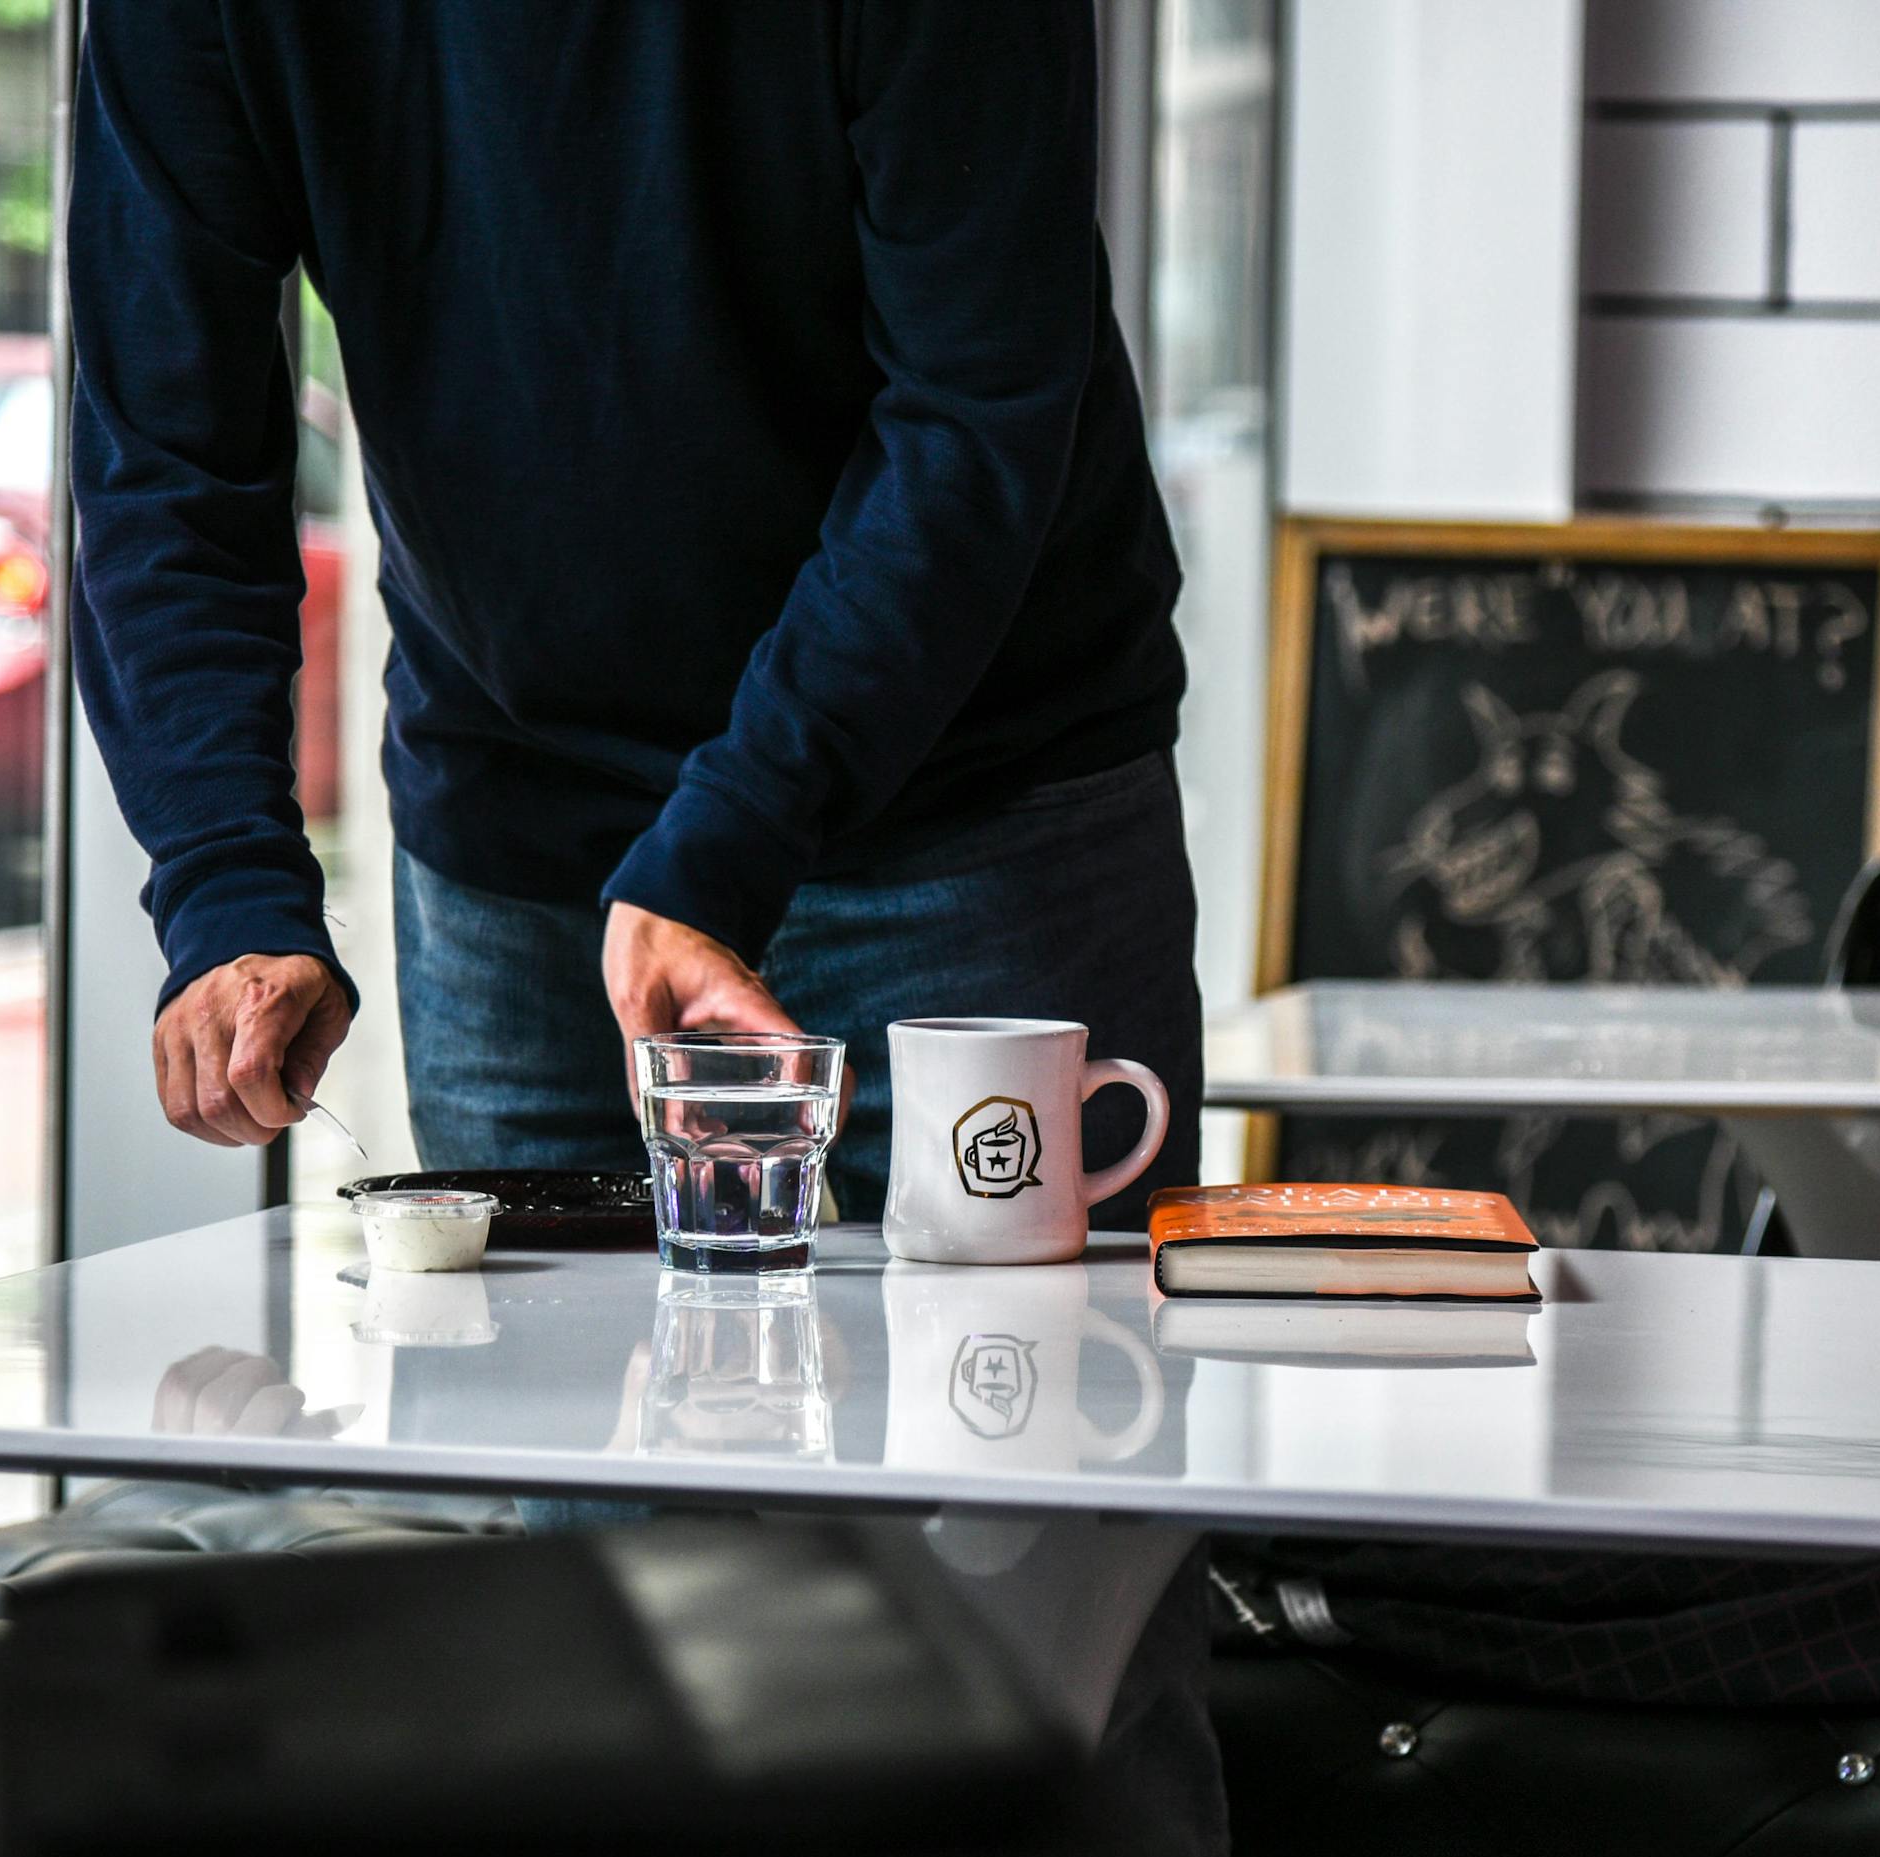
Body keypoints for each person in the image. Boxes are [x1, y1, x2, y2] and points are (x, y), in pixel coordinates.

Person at [67, 1, 1198, 1228]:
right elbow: (169, 467)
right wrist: (227, 885)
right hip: (515, 852)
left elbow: (972, 413)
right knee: (520, 1359)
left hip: (974, 816)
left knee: (1020, 1356)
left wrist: (729, 839)